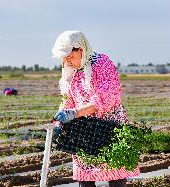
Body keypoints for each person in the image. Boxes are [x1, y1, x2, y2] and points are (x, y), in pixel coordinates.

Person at [52, 31, 140, 187]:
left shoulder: (101, 63)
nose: (68, 62)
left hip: (108, 126)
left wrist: (76, 112)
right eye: (64, 59)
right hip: (83, 131)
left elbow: (108, 97)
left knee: (115, 171)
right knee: (85, 178)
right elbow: (67, 99)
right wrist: (59, 121)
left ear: (81, 50)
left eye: (70, 57)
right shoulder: (69, 72)